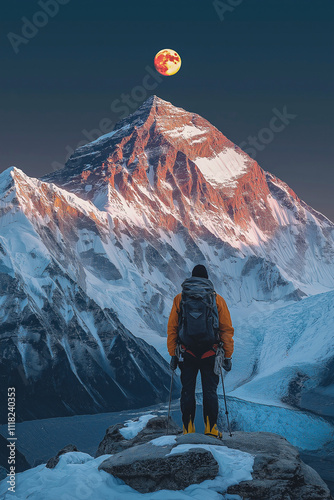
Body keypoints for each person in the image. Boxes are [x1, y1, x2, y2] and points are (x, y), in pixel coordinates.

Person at [167, 264, 234, 438]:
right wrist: (227, 355)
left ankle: (188, 429)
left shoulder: (180, 298)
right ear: (207, 279)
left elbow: (172, 328)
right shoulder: (217, 299)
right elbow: (226, 329)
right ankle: (210, 428)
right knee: (210, 391)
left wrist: (173, 354)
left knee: (187, 390)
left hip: (186, 352)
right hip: (210, 353)